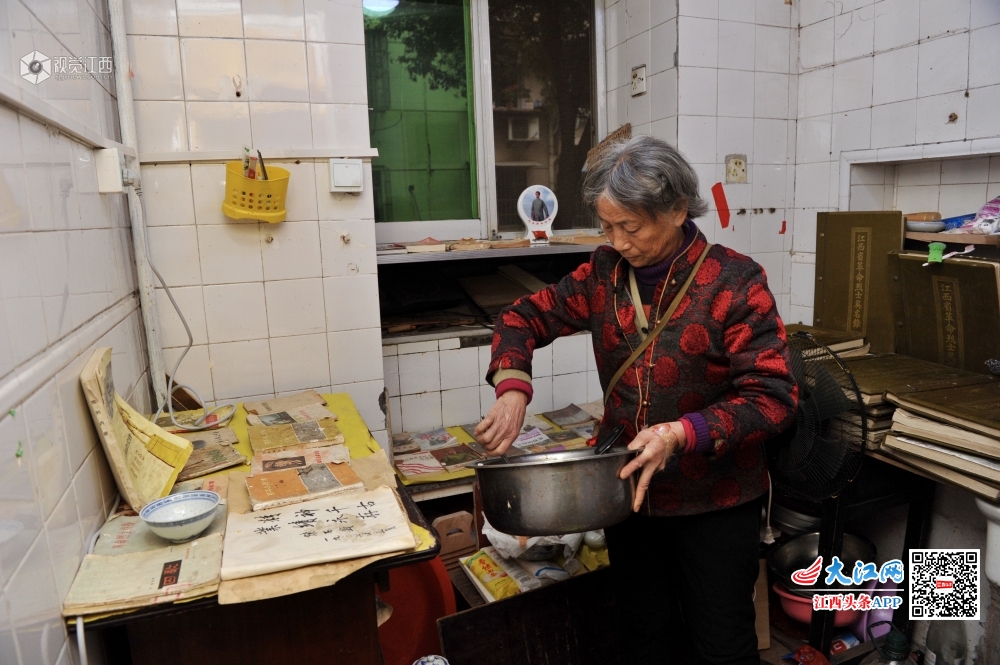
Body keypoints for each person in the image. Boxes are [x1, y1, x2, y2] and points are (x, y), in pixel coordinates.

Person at [475, 135, 798, 665]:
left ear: (675, 209)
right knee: (644, 635)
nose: (618, 241)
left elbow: (775, 396)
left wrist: (681, 433)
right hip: (630, 496)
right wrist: (513, 388)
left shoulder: (734, 281)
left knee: (721, 643)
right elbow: (522, 316)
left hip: (715, 500)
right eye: (607, 226)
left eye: (631, 226)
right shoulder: (603, 274)